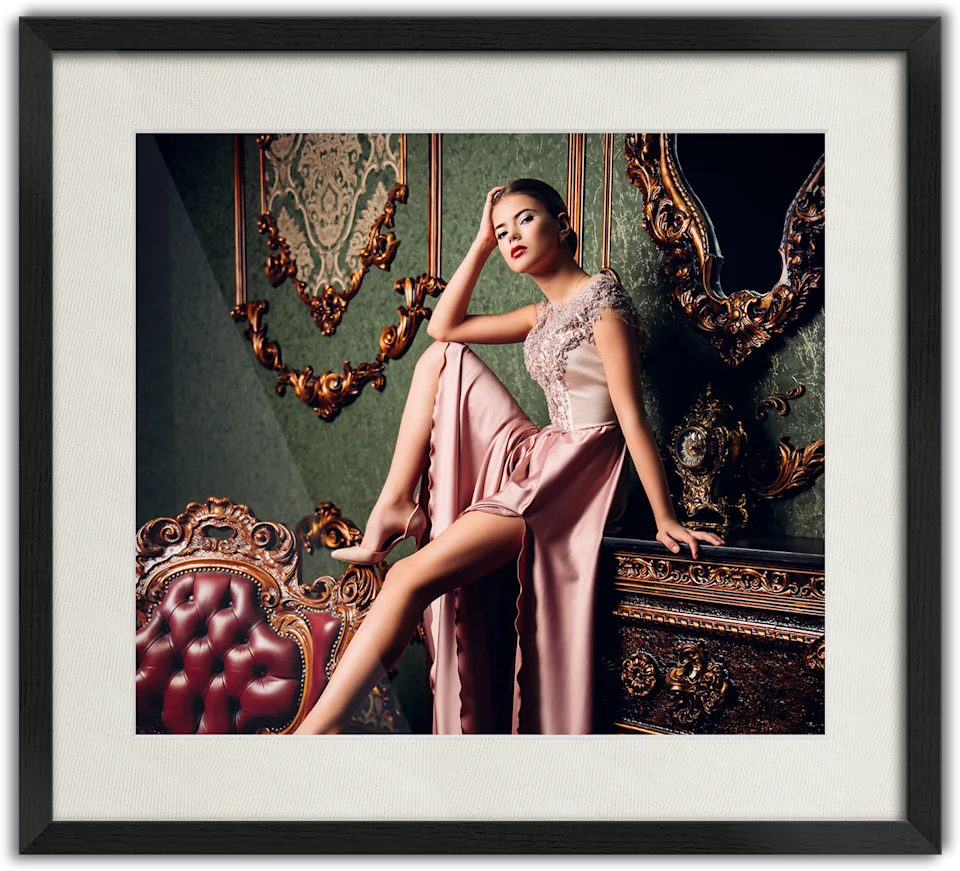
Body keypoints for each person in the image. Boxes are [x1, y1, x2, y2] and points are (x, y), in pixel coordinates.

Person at [292, 178, 723, 736]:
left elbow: (632, 419)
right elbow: (443, 327)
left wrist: (665, 518)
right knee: (442, 357)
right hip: (546, 453)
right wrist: (479, 243)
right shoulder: (540, 315)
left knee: (403, 579)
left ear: (564, 223)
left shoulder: (605, 307)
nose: (510, 235)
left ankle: (310, 738)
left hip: (582, 473)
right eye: (502, 230)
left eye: (523, 219)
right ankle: (398, 503)